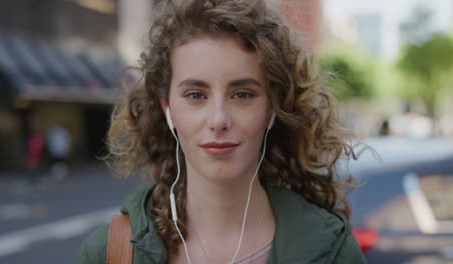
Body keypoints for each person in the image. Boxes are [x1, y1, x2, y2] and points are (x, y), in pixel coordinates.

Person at [78, 0, 366, 263]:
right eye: (195, 95)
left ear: (272, 109)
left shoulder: (334, 253)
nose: (218, 120)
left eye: (242, 94)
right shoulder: (109, 253)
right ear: (167, 108)